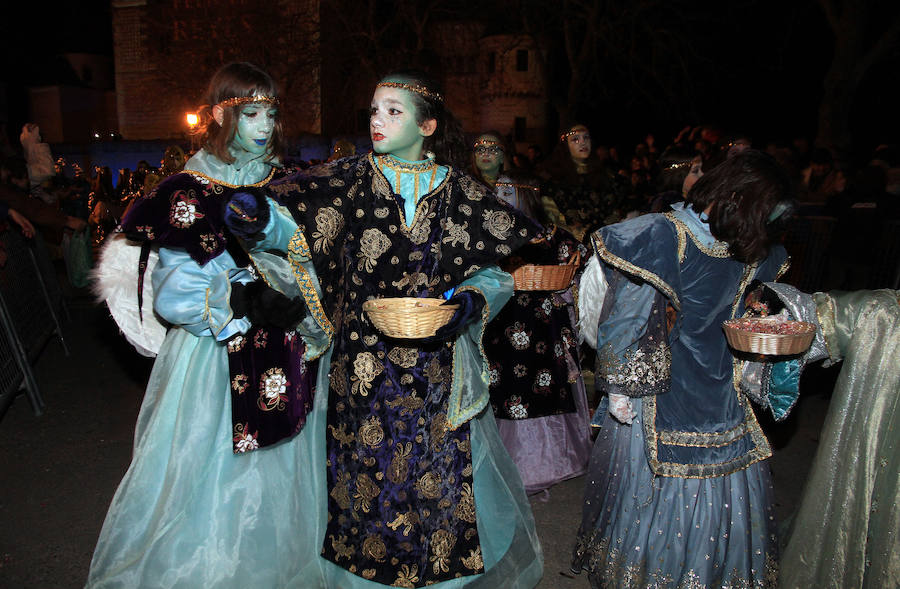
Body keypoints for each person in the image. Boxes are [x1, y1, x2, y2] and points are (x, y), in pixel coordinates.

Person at [267, 71, 543, 588]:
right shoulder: (346, 180)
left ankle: (439, 575)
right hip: (362, 366)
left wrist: (470, 300)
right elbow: (291, 221)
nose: (378, 120)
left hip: (435, 363)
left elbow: (494, 270)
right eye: (374, 110)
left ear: (428, 125)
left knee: (436, 474)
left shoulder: (461, 192)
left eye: (394, 111)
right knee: (364, 476)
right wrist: (254, 220)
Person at [87, 62, 332, 588]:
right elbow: (172, 291)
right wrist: (236, 299)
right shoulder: (185, 190)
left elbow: (311, 260)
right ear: (222, 114)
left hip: (282, 350)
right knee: (211, 471)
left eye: (270, 113)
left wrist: (291, 296)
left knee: (281, 467)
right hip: (213, 357)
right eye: (251, 114)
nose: (265, 126)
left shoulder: (285, 183)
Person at [571, 150, 795, 587]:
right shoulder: (666, 234)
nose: (765, 222)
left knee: (699, 483)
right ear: (737, 196)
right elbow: (628, 313)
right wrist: (619, 383)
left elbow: (745, 311)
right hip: (665, 384)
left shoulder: (744, 247)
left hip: (715, 383)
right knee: (674, 484)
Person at [471, 131, 592, 496]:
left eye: (495, 147)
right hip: (494, 317)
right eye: (481, 148)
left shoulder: (537, 226)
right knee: (494, 383)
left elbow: (572, 248)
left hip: (537, 320)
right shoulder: (468, 201)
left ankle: (539, 459)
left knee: (538, 381)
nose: (487, 154)